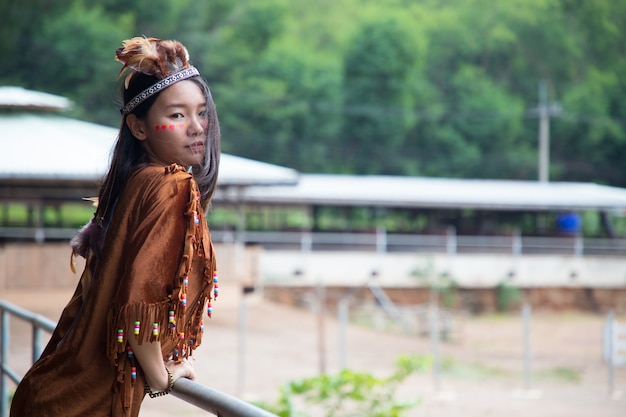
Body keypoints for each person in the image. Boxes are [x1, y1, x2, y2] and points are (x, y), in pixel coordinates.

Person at [10, 36, 221, 417]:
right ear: (139, 128)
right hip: (80, 406)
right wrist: (162, 377)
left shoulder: (137, 180)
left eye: (202, 113)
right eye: (176, 115)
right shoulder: (173, 184)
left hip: (50, 393)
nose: (196, 127)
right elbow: (139, 302)